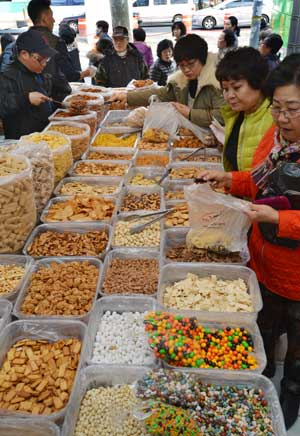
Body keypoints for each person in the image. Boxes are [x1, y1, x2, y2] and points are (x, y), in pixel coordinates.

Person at [201, 54, 300, 431]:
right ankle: (263, 376)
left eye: (292, 109)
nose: (282, 118)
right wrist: (229, 181)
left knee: (297, 345)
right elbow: (257, 179)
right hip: (264, 260)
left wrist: (279, 218)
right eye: (277, 108)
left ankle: (291, 393)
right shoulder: (274, 140)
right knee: (265, 327)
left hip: (296, 274)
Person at [110, 34, 224, 127]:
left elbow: (223, 115)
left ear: (202, 59)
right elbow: (162, 93)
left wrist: (189, 113)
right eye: (182, 66)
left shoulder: (218, 82)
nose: (186, 70)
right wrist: (128, 96)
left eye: (191, 64)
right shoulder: (180, 81)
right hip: (189, 134)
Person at [215, 47, 273, 171]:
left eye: (236, 87)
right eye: (225, 89)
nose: (229, 96)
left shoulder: (275, 119)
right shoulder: (236, 115)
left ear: (257, 83)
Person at [0, 29, 56, 139]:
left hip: (43, 136)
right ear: (24, 54)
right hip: (22, 143)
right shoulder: (6, 76)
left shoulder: (36, 70)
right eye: (41, 59)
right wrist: (26, 98)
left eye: (47, 59)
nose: (44, 64)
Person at [28, 0, 93, 84]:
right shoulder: (56, 42)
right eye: (51, 16)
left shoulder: (19, 43)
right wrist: (87, 73)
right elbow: (69, 75)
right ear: (44, 18)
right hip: (53, 95)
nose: (53, 20)